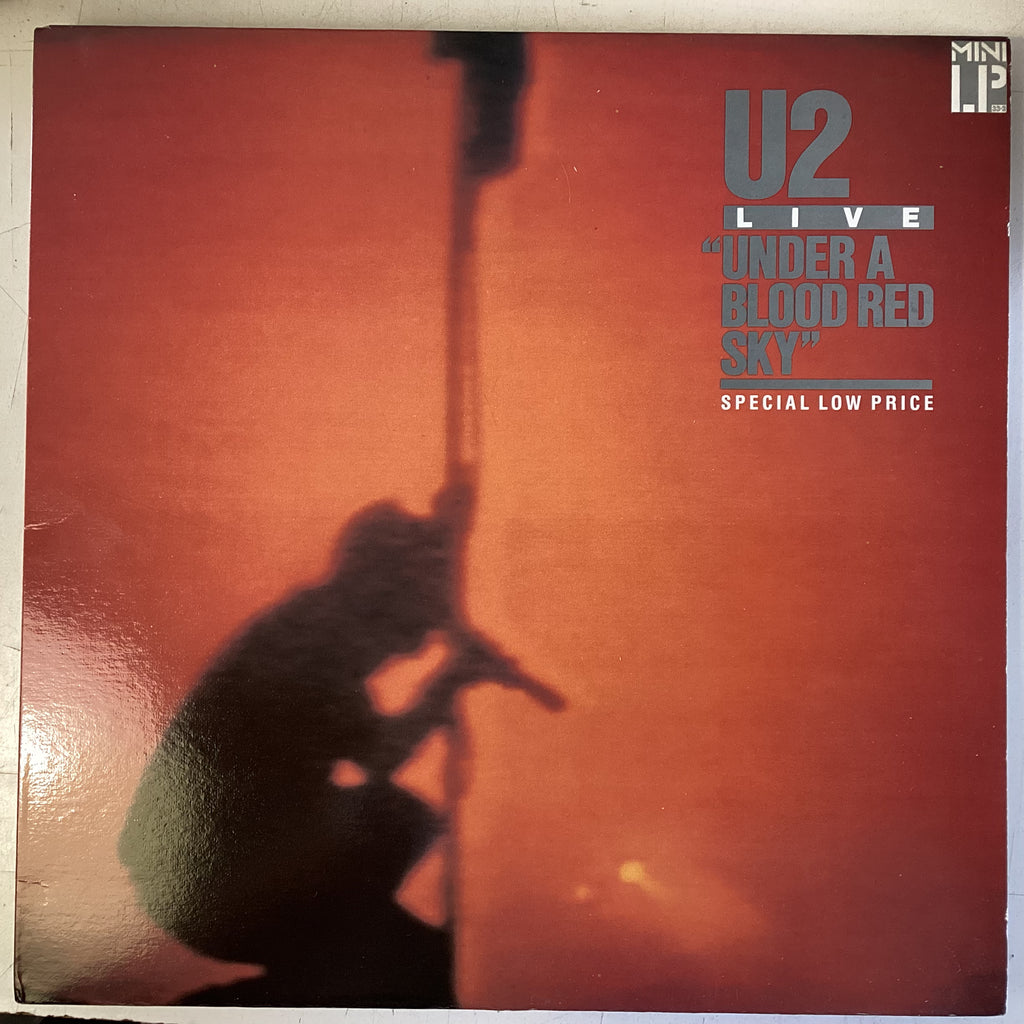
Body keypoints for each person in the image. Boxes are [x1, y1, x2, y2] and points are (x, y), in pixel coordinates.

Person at [119, 481, 560, 1007]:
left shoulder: (311, 630)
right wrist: (448, 682)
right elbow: (380, 755)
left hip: (205, 868)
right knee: (397, 838)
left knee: (414, 939)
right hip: (212, 877)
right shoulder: (311, 649)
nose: (425, 634)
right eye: (421, 610)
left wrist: (448, 527)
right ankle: (285, 986)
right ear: (384, 594)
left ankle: (318, 966)